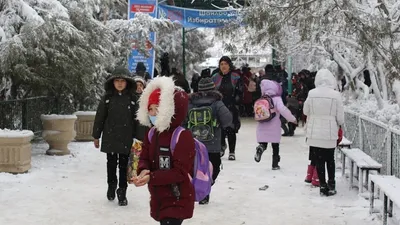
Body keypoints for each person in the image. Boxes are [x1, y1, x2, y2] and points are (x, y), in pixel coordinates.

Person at [132, 76, 195, 225]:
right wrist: (144, 170)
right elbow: (145, 157)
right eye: (150, 109)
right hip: (159, 196)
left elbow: (180, 172)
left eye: (157, 108)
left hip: (177, 196)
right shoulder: (152, 133)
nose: (152, 113)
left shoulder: (182, 136)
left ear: (169, 110)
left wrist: (152, 177)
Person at [92, 66, 138, 206]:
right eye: (117, 80)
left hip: (126, 137)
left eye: (122, 81)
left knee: (124, 166)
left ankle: (122, 190)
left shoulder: (132, 99)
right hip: (110, 136)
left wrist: (139, 138)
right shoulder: (107, 98)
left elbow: (138, 120)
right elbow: (100, 117)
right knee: (111, 164)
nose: (119, 83)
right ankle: (111, 186)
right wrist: (96, 135)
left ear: (127, 82)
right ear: (112, 82)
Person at [185, 77, 233, 204]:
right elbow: (228, 120)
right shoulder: (217, 103)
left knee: (195, 168)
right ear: (213, 88)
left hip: (194, 143)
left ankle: (196, 189)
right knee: (214, 167)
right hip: (213, 143)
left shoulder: (190, 103)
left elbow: (183, 122)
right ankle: (205, 189)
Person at [303, 69, 344, 196]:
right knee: (330, 159)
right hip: (330, 132)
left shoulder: (312, 93)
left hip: (314, 132)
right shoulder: (335, 95)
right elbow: (340, 117)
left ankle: (322, 185)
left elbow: (305, 111)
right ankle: (331, 184)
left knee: (319, 159)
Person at [254, 80, 297, 170]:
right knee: (275, 146)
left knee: (263, 142)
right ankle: (275, 164)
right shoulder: (277, 98)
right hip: (274, 125)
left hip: (262, 125)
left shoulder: (262, 98)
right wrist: (292, 119)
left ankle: (261, 147)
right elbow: (283, 110)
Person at [211, 56, 242, 160]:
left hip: (231, 106)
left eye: (225, 64)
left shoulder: (235, 77)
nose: (223, 66)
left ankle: (232, 152)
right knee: (220, 128)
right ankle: (221, 146)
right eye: (221, 64)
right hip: (219, 106)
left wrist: (236, 100)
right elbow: (211, 91)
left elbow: (240, 91)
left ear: (229, 65)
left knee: (231, 129)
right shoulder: (215, 77)